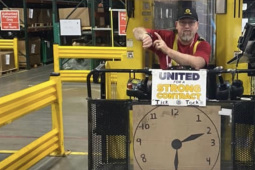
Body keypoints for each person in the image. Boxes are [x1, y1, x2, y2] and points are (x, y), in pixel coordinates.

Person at [133, 8, 211, 70]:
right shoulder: (166, 37)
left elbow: (197, 63)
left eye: (191, 22)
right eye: (183, 22)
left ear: (197, 25)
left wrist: (167, 50)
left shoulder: (203, 44)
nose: (187, 26)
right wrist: (145, 36)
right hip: (165, 88)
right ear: (176, 25)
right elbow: (136, 30)